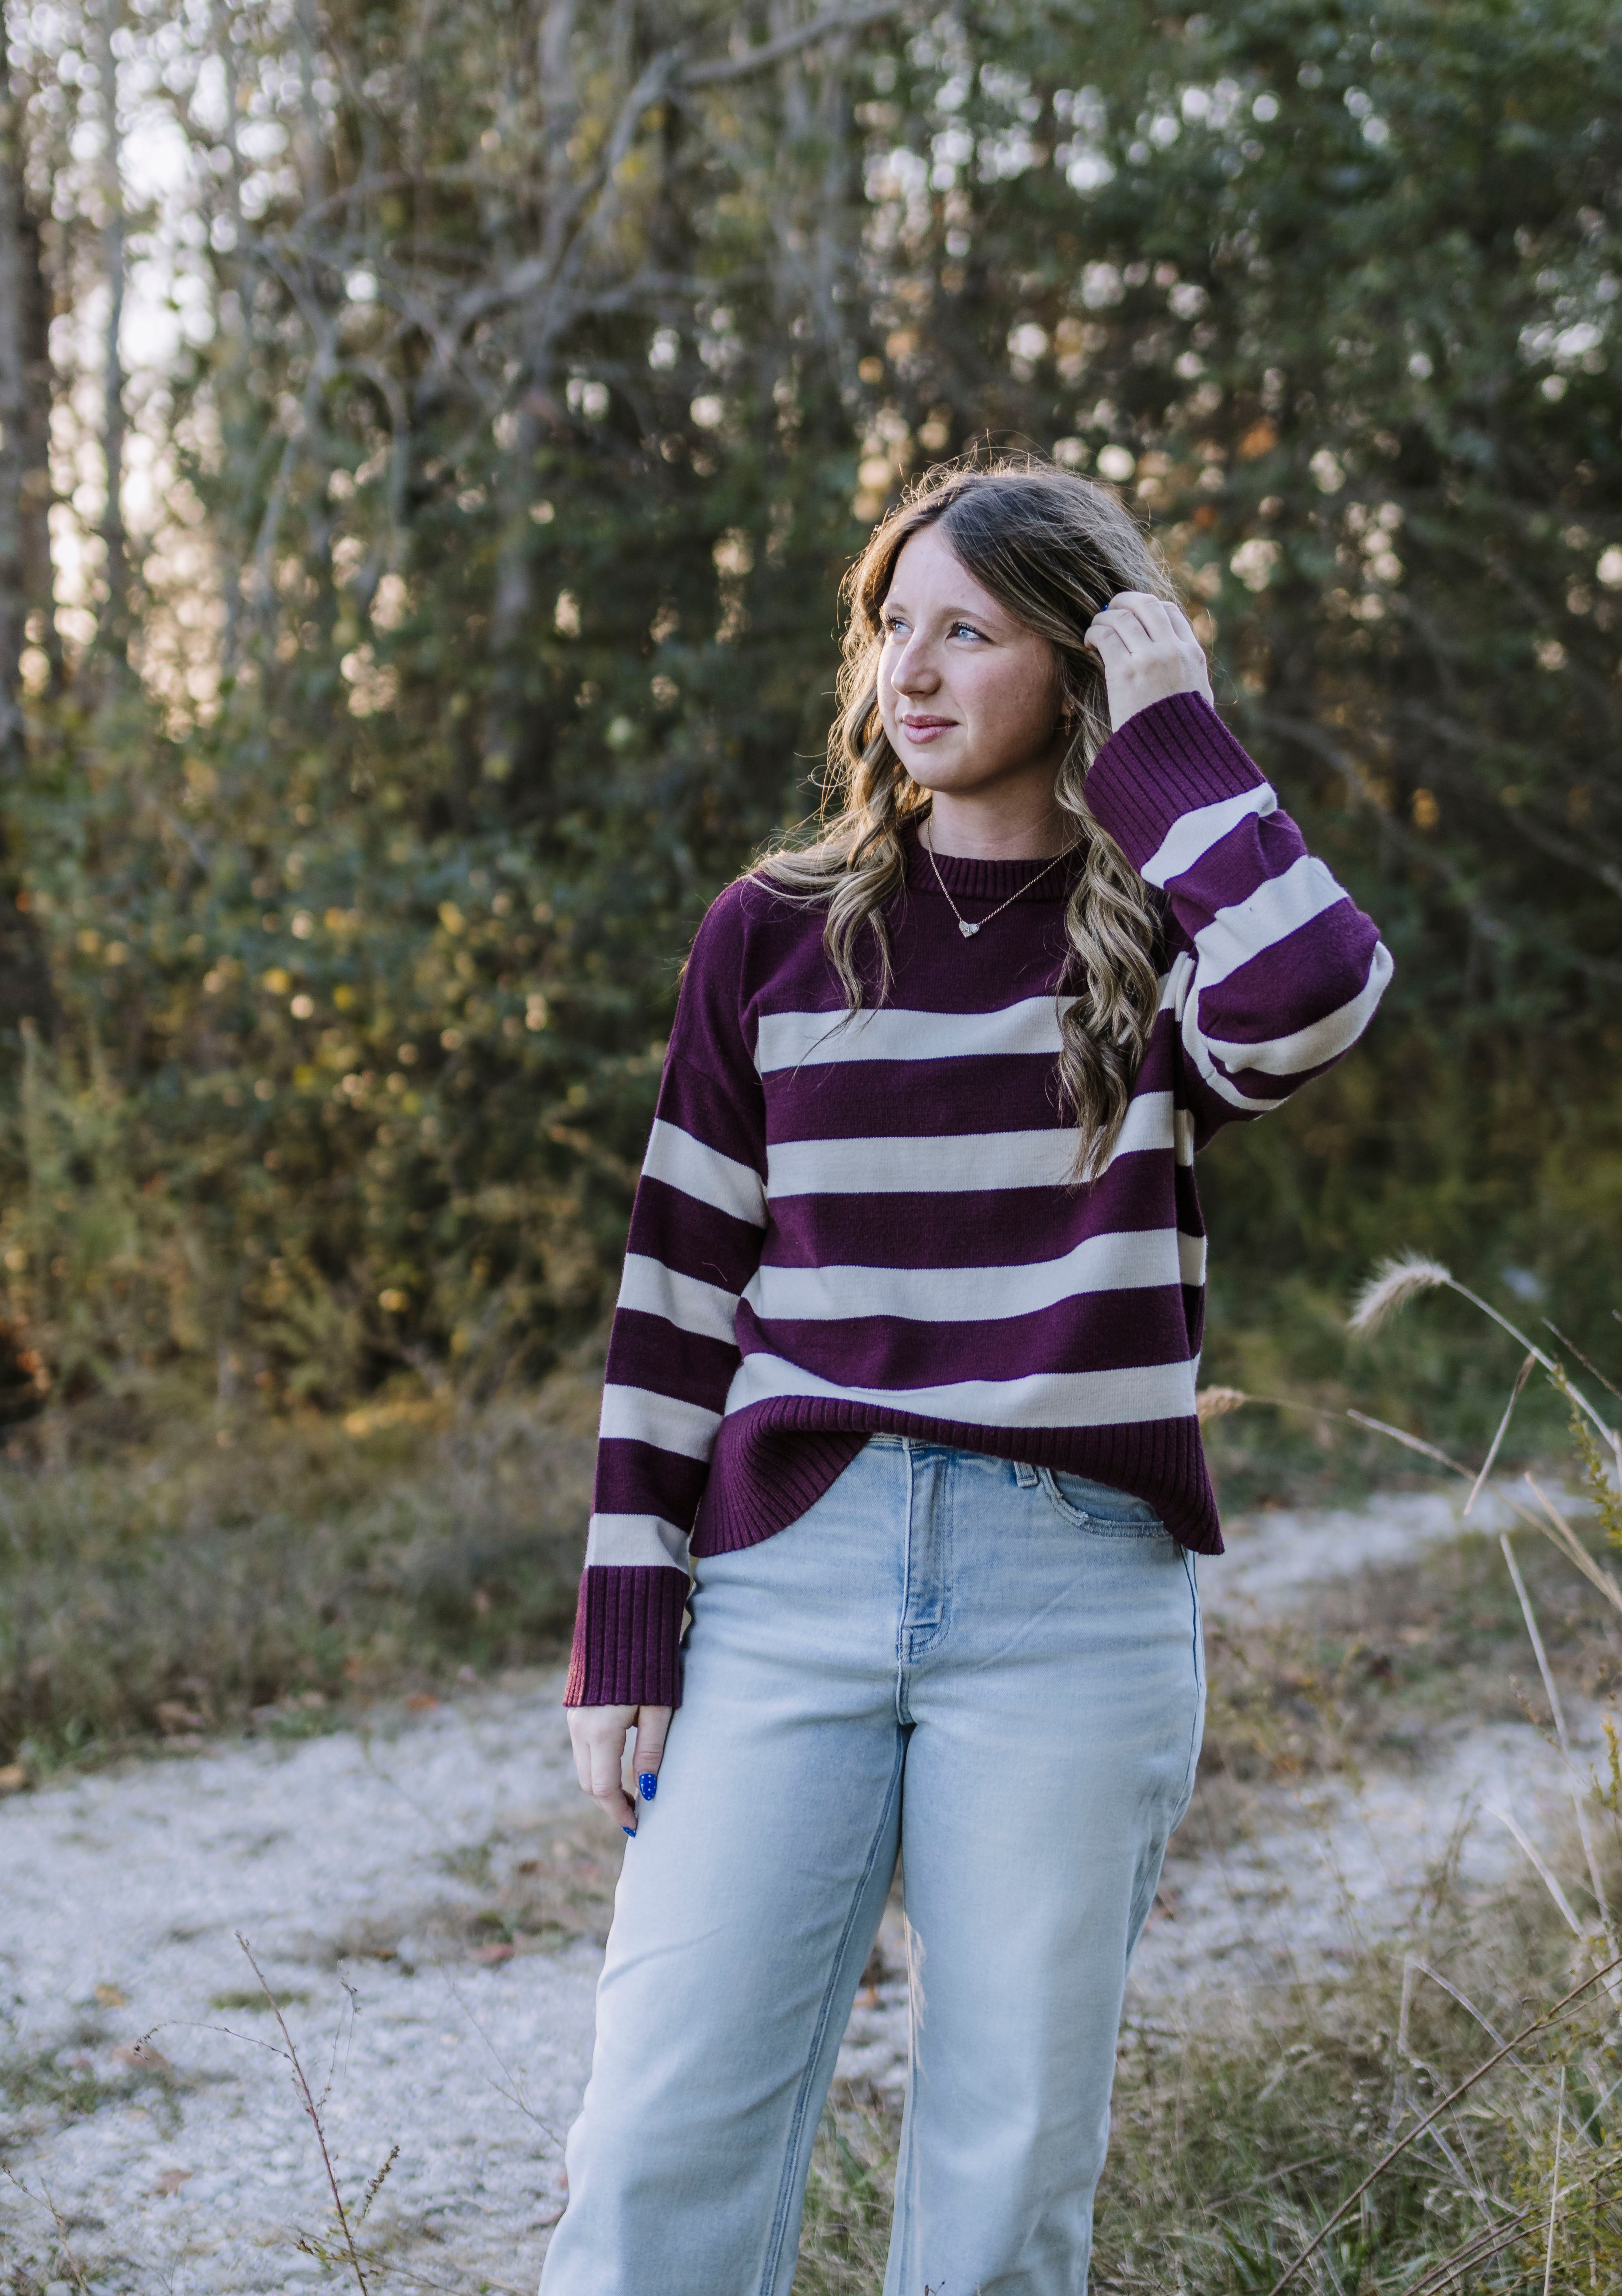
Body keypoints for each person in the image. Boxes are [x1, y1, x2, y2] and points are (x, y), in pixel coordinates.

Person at [540, 459, 1392, 2294]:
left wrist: (1172, 750)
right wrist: (629, 1615)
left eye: (968, 632)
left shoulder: (1161, 936)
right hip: (791, 1582)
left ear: (1075, 666)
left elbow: (1317, 990)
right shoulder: (773, 929)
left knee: (1004, 2186)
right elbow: (679, 1288)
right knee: (658, 2137)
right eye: (887, 629)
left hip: (1072, 1590)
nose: (907, 674)